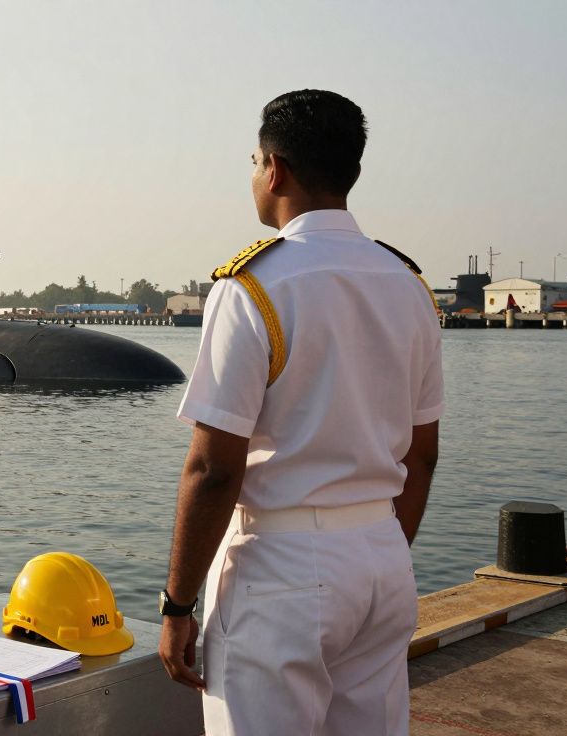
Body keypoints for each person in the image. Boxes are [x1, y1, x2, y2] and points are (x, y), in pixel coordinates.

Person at [157, 90, 443, 735]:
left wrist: (177, 605)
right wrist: (379, 547)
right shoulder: (409, 285)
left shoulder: (254, 286)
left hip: (284, 565)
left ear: (276, 169)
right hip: (382, 555)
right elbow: (421, 452)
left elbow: (213, 470)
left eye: (255, 161)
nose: (254, 176)